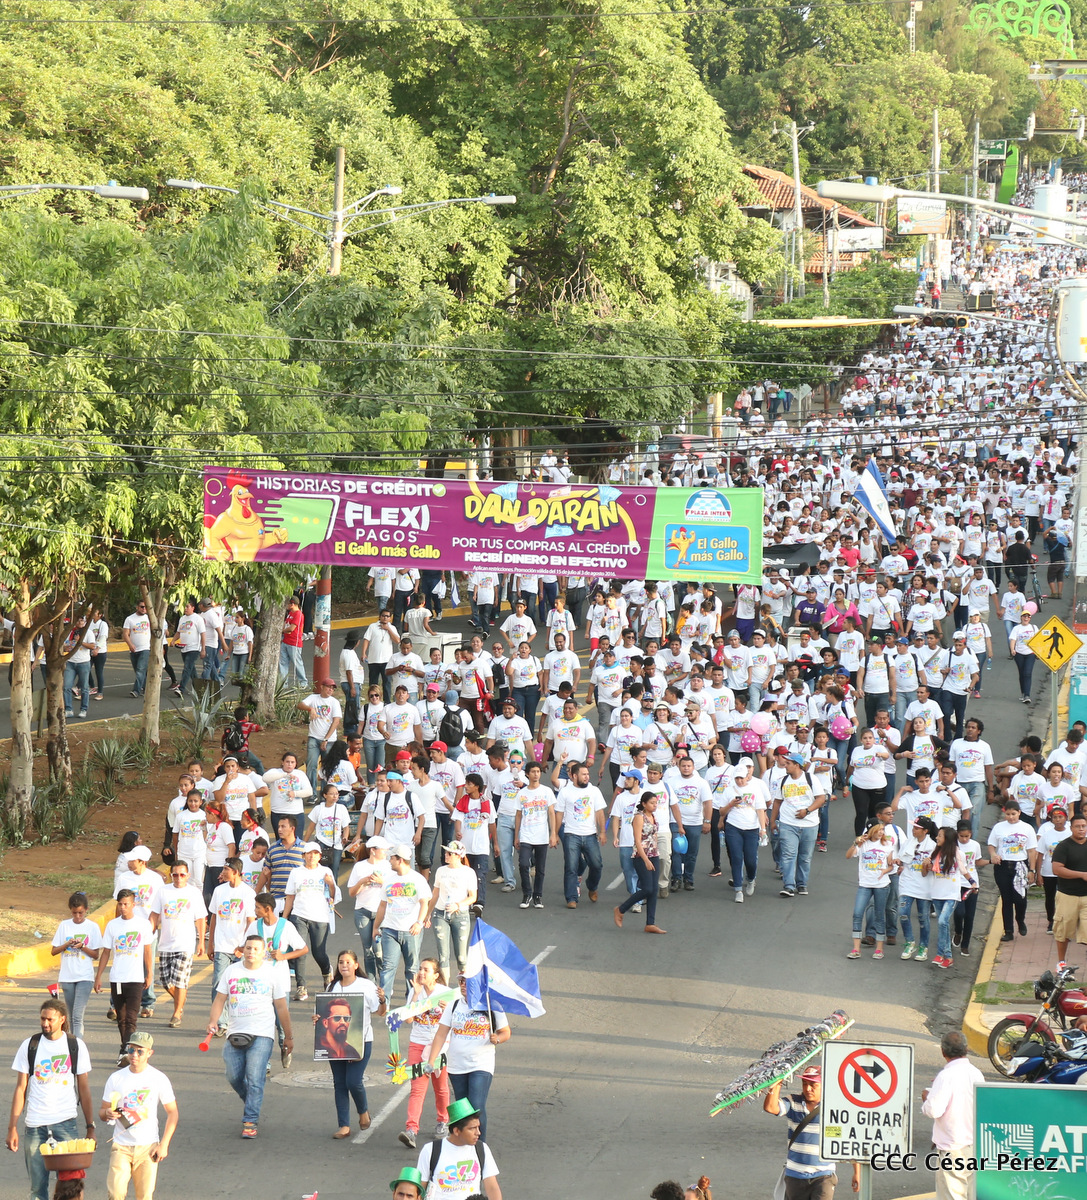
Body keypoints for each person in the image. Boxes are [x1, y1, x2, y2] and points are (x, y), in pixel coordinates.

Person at [206, 933, 294, 1139]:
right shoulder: (231, 971)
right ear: (242, 950)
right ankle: (252, 1102)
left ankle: (250, 1121)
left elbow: (281, 1007)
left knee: (255, 1078)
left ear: (264, 953)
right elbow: (220, 999)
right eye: (248, 948)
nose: (251, 952)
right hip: (235, 1032)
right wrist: (213, 1020)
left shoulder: (272, 974)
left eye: (256, 949)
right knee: (233, 1076)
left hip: (262, 1034)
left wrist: (288, 1036)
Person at [7, 998, 95, 1200]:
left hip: (66, 1124)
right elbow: (21, 1088)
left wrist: (90, 1127)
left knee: (72, 1187)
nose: (45, 1023)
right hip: (35, 1126)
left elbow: (84, 1089)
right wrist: (12, 1127)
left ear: (62, 1019)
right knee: (37, 1189)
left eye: (50, 1019)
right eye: (42, 1019)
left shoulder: (75, 1045)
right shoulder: (30, 1045)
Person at [427, 977, 510, 1141]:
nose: (463, 985)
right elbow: (441, 1034)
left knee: (476, 1106)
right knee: (464, 1110)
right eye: (461, 981)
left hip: (481, 1064)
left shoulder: (492, 1004)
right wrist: (431, 1060)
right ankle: (466, 1145)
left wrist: (498, 1039)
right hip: (457, 1066)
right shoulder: (454, 1005)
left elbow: (505, 1032)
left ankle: (480, 1146)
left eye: (467, 981)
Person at [99, 1031, 177, 1200]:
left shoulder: (158, 1078)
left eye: (140, 1051)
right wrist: (107, 1113)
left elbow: (173, 1113)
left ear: (149, 1053)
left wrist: (164, 1145)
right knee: (115, 1194)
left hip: (148, 1147)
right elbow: (102, 1112)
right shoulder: (116, 1078)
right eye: (131, 1049)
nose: (134, 1054)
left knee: (144, 1196)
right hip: (121, 1146)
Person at [316, 949, 385, 1139]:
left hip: (361, 1041)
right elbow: (322, 1014)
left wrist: (383, 1000)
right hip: (333, 1046)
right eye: (341, 962)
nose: (344, 965)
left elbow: (380, 1012)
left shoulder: (366, 985)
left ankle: (363, 1111)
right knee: (339, 1083)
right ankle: (344, 1125)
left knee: (353, 1081)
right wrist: (317, 1018)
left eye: (348, 962)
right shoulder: (332, 987)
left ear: (356, 965)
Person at [920, 1031, 984, 1200]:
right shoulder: (976, 1073)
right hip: (974, 1147)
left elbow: (933, 1110)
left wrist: (927, 1098)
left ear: (943, 1052)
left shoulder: (946, 1076)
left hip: (953, 1149)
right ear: (966, 1049)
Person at [94, 889, 154, 1065]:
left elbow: (147, 951)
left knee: (131, 1018)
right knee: (121, 1017)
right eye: (120, 904)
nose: (122, 907)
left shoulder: (143, 925)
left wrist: (149, 973)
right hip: (117, 979)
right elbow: (106, 952)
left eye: (126, 904)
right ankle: (125, 1048)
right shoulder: (113, 925)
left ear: (133, 904)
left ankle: (125, 1051)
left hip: (135, 978)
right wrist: (99, 976)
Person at [398, 958, 451, 1151]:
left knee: (440, 1086)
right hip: (418, 1044)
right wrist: (415, 995)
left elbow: (454, 1019)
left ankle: (443, 1121)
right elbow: (408, 1020)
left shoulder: (445, 993)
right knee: (417, 1088)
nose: (421, 972)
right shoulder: (416, 991)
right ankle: (411, 1130)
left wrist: (446, 1009)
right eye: (420, 969)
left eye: (426, 970)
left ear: (436, 975)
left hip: (440, 1046)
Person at [763, 1066, 839, 1200]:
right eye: (805, 1084)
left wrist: (856, 1172)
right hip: (795, 1175)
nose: (808, 1088)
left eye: (813, 1085)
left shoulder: (833, 1107)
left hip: (823, 1175)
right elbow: (770, 1107)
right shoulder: (793, 1102)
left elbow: (847, 1139)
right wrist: (777, 1083)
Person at [149, 861, 206, 1029]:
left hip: (185, 944)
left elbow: (201, 918)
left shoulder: (194, 893)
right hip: (165, 943)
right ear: (171, 875)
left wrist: (201, 942)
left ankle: (176, 1013)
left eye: (182, 875)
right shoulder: (163, 891)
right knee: (166, 981)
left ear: (188, 875)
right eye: (175, 875)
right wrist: (149, 931)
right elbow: (154, 914)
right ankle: (180, 1000)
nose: (179, 878)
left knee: (180, 981)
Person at [374, 844, 432, 1002]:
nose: (389, 860)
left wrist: (419, 923)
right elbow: (382, 905)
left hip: (410, 930)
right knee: (388, 967)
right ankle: (384, 1003)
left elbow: (424, 903)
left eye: (392, 858)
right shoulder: (389, 880)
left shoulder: (417, 879)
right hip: (389, 929)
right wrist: (376, 927)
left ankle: (411, 1001)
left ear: (400, 860)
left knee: (412, 968)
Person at [415, 1097, 501, 1200]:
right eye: (472, 1128)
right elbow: (419, 1189)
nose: (478, 1133)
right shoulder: (430, 1150)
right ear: (456, 1131)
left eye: (478, 1127)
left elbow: (492, 1187)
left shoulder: (482, 1149)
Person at [283, 842, 336, 997]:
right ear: (303, 856)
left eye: (315, 853)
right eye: (309, 853)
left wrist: (331, 884)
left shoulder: (325, 872)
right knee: (299, 951)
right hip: (299, 915)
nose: (312, 856)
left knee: (319, 953)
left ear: (320, 856)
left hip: (320, 917)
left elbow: (333, 896)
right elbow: (290, 896)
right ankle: (301, 987)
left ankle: (326, 972)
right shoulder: (296, 872)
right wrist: (284, 918)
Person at [613, 792, 666, 934]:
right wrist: (646, 859)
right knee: (647, 888)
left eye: (656, 803)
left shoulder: (653, 816)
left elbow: (654, 835)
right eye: (651, 803)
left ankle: (650, 923)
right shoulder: (639, 817)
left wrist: (656, 853)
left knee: (653, 890)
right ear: (644, 804)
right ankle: (621, 909)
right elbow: (637, 841)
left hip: (654, 854)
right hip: (640, 856)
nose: (654, 805)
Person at [50, 892, 101, 1039]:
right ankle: (72, 1043)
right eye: (74, 913)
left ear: (86, 910)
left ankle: (77, 1046)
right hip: (67, 976)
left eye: (81, 913)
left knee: (78, 1016)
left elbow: (95, 954)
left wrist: (82, 946)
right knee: (71, 1016)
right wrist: (66, 944)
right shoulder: (64, 925)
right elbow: (54, 951)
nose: (78, 916)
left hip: (84, 976)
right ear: (70, 910)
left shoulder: (92, 927)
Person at [987, 800, 1039, 942]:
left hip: (1020, 865)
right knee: (1007, 899)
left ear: (1019, 813)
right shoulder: (998, 827)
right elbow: (991, 845)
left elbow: (1032, 851)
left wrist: (1032, 870)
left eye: (1013, 814)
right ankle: (1008, 930)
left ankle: (1020, 919)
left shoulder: (1027, 828)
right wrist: (993, 854)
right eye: (1008, 814)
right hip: (1003, 865)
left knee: (1020, 898)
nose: (1011, 817)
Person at [426, 841, 478, 980]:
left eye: (450, 853)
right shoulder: (441, 871)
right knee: (443, 956)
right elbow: (435, 893)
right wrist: (428, 913)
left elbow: (473, 897)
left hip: (460, 915)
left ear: (459, 855)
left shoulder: (468, 872)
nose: (446, 855)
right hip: (440, 914)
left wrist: (458, 905)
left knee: (461, 956)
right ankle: (445, 988)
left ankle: (464, 985)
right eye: (446, 852)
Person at [1052, 813, 1087, 964]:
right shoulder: (1063, 847)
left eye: (1084, 826)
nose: (1081, 829)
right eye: (1077, 826)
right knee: (1063, 932)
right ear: (1071, 828)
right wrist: (1081, 875)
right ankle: (1061, 963)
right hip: (1067, 895)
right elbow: (1057, 869)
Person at [297, 679, 343, 789]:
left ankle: (325, 792)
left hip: (329, 740)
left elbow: (336, 721)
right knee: (311, 764)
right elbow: (300, 705)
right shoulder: (313, 698)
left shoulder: (334, 702)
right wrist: (310, 709)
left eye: (332, 688)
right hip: (314, 737)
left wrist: (326, 739)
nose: (330, 690)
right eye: (328, 687)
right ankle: (311, 792)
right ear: (322, 687)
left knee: (327, 766)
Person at [122, 600, 152, 698]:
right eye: (142, 607)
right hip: (134, 649)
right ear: (137, 607)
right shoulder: (130, 619)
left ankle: (136, 690)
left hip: (145, 648)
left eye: (145, 607)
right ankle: (146, 688)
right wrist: (130, 645)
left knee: (140, 669)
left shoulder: (149, 618)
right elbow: (125, 634)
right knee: (139, 671)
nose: (144, 609)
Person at [279, 595, 306, 687]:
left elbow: (291, 628)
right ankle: (283, 684)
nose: (286, 605)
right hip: (285, 641)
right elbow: (285, 623)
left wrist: (281, 631)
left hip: (294, 642)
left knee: (297, 663)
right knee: (283, 663)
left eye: (287, 603)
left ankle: (303, 682)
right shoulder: (290, 613)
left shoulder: (298, 614)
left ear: (292, 604)